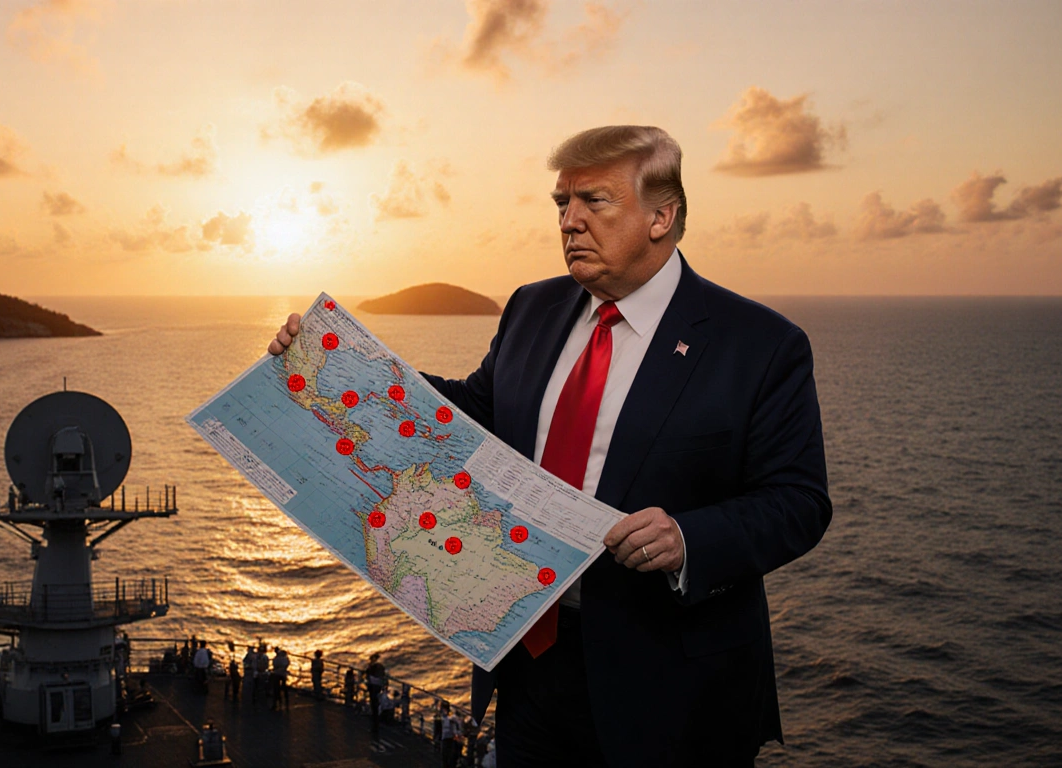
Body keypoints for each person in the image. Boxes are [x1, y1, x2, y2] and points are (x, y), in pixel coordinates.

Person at [269, 125, 831, 766]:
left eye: (595, 201)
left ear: (661, 217)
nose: (570, 221)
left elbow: (799, 501)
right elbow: (480, 409)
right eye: (562, 203)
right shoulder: (532, 307)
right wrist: (346, 368)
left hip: (673, 685)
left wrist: (689, 539)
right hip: (530, 659)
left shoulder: (759, 344)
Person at [364, 653, 385, 736]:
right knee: (375, 706)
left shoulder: (374, 667)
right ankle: (375, 725)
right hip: (377, 687)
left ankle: (375, 727)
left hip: (373, 687)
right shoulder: (380, 667)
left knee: (374, 706)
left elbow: (368, 674)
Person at [441, 702, 463, 768]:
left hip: (449, 739)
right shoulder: (452, 717)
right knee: (449, 758)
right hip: (450, 738)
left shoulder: (450, 718)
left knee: (448, 758)